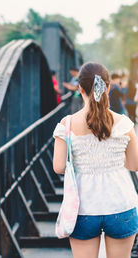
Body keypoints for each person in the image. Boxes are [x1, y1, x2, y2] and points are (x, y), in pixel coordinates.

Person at [53, 62, 138, 258]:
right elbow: (134, 164)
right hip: (121, 204)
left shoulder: (66, 125)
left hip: (83, 208)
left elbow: (58, 167)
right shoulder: (124, 123)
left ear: (80, 88)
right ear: (108, 87)